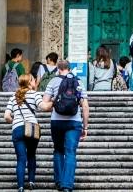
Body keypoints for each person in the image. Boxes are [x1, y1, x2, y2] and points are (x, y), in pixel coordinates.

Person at [43, 58, 88, 190]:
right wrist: (85, 126)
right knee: (70, 152)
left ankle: (58, 181)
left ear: (58, 68)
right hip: (74, 122)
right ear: (69, 68)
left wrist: (54, 101)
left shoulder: (53, 81)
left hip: (56, 121)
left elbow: (44, 103)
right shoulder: (78, 82)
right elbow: (85, 106)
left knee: (58, 150)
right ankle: (67, 185)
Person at [5, 73, 44, 190]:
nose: (35, 82)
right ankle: (31, 181)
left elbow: (6, 116)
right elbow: (42, 106)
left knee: (21, 158)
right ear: (29, 82)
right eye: (33, 80)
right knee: (31, 155)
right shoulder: (35, 94)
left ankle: (21, 186)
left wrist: (15, 122)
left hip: (17, 128)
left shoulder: (13, 96)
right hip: (32, 127)